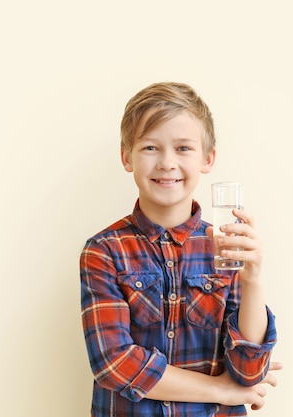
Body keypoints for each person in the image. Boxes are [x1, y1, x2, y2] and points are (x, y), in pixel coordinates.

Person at [79, 81, 282, 416]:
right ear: (126, 157)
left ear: (208, 158)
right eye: (150, 148)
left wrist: (253, 280)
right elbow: (114, 363)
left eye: (183, 148)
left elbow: (248, 372)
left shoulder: (226, 246)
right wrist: (221, 389)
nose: (167, 163)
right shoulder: (104, 250)